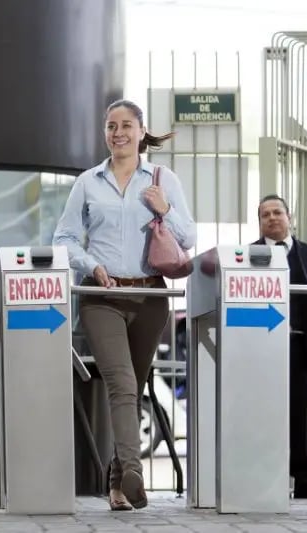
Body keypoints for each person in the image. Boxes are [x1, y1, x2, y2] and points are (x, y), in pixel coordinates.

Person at [53, 99, 196, 511]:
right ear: (105, 133)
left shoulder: (162, 179)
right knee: (122, 383)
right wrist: (91, 264)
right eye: (111, 126)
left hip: (151, 296)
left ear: (140, 130)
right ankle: (134, 473)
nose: (118, 133)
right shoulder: (88, 182)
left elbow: (187, 237)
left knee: (132, 390)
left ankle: (116, 484)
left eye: (126, 126)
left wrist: (163, 209)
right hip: (101, 297)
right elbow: (63, 238)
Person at [253, 194, 307, 498]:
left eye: (277, 213)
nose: (272, 218)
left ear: (289, 217)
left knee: (301, 413)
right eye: (265, 215)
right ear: (259, 222)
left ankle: (304, 479)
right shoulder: (249, 254)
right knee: (262, 411)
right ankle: (263, 476)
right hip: (261, 348)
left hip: (300, 346)